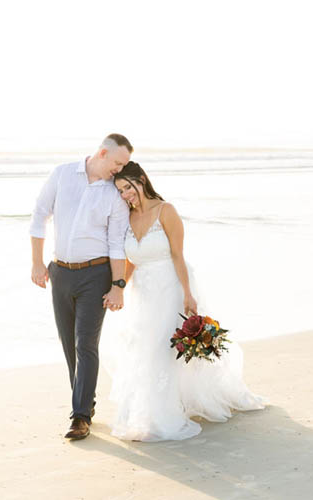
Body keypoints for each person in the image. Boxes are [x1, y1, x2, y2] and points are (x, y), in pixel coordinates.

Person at [105, 161, 266, 442]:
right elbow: (131, 262)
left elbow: (178, 256)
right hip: (142, 294)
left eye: (127, 187)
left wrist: (188, 294)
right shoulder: (127, 218)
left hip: (170, 287)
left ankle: (158, 416)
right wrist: (118, 288)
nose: (125, 195)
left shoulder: (166, 211)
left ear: (141, 180)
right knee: (143, 350)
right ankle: (143, 411)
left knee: (160, 351)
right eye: (120, 191)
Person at [30, 133, 132, 440]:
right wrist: (37, 262)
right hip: (59, 272)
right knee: (68, 344)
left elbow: (117, 243)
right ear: (102, 153)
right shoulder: (62, 174)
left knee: (85, 343)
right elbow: (39, 215)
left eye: (124, 164)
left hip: (95, 275)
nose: (120, 169)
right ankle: (86, 400)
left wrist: (118, 286)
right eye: (118, 162)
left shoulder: (115, 194)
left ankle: (81, 416)